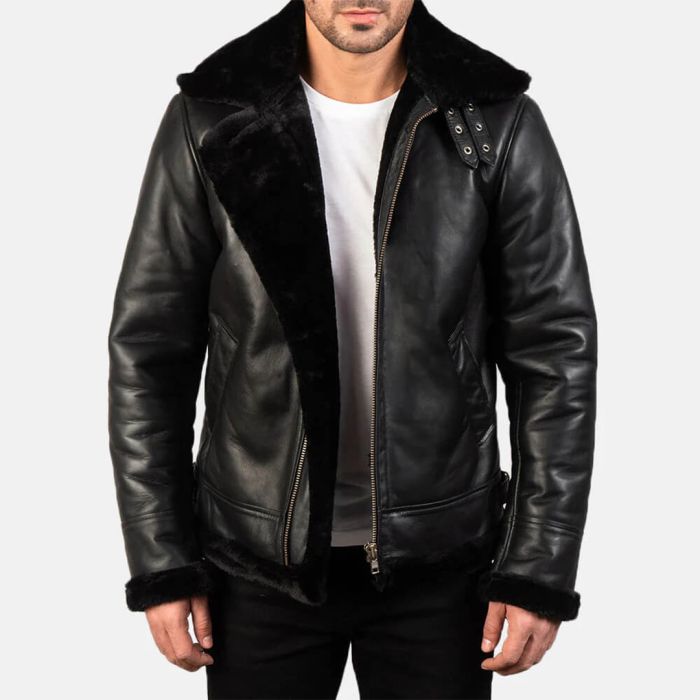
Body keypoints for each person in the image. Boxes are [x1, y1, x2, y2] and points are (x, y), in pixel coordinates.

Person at [107, 0, 597, 697]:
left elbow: (555, 354)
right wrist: (162, 560)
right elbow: (149, 349)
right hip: (253, 564)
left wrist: (538, 567)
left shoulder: (495, 119)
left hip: (443, 563)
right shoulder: (212, 116)